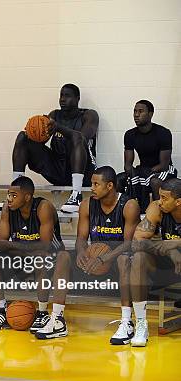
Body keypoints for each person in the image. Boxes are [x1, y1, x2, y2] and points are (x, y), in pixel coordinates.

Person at [0, 176, 71, 339]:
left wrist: (13, 246)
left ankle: (42, 312)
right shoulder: (7, 209)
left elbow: (45, 246)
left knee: (40, 257)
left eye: (14, 196)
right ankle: (1, 310)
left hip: (51, 259)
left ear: (27, 197)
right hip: (22, 258)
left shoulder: (43, 207)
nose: (9, 199)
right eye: (8, 195)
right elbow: (2, 242)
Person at [75, 166, 140, 345]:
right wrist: (81, 251)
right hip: (96, 262)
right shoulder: (87, 205)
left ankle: (127, 321)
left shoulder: (129, 206)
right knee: (64, 258)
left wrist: (104, 257)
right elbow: (81, 237)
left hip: (119, 260)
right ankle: (55, 317)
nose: (92, 188)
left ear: (110, 186)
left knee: (123, 259)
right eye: (91, 184)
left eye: (96, 184)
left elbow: (129, 243)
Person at [9, 84, 99, 213]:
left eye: (67, 96)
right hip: (58, 169)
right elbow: (41, 141)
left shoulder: (89, 115)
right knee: (22, 137)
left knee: (78, 138)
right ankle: (16, 190)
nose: (62, 99)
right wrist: (33, 132)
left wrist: (58, 128)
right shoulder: (54, 115)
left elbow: (82, 138)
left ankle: (76, 195)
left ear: (77, 98)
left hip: (84, 172)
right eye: (61, 95)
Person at [130, 177, 181, 347]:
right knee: (139, 258)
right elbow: (137, 241)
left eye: (165, 198)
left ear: (178, 201)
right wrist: (170, 250)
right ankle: (141, 324)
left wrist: (177, 243)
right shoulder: (156, 209)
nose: (159, 202)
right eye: (159, 196)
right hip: (167, 267)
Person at [120, 100, 177, 212]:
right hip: (143, 169)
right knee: (118, 180)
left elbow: (164, 165)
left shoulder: (163, 133)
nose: (136, 115)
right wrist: (132, 173)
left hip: (163, 170)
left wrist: (145, 173)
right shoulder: (130, 134)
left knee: (155, 182)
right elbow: (127, 165)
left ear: (150, 114)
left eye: (140, 111)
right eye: (135, 111)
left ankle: (159, 215)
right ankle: (132, 214)